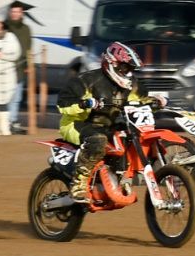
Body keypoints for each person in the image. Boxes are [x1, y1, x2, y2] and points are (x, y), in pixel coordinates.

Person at [57, 43, 163, 201]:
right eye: (124, 68)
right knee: (97, 140)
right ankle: (79, 184)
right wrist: (84, 104)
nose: (128, 73)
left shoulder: (130, 86)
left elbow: (141, 100)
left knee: (130, 136)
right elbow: (63, 104)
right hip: (77, 124)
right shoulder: (86, 81)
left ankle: (121, 177)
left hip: (107, 125)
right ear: (112, 63)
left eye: (131, 69)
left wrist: (156, 102)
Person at [4, 1, 33, 131]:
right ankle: (4, 121)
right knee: (5, 95)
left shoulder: (26, 29)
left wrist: (29, 64)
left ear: (21, 13)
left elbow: (28, 48)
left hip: (20, 67)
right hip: (6, 66)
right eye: (13, 11)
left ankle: (13, 121)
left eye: (18, 12)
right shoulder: (4, 27)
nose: (15, 14)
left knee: (17, 96)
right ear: (10, 13)